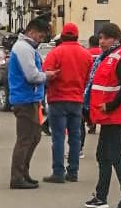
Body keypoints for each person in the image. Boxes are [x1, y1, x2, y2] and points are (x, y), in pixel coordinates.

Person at [85, 22, 121, 208]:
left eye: (104, 38)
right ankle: (101, 196)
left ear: (115, 39)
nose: (101, 42)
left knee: (116, 156)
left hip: (116, 115)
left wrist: (111, 106)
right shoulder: (108, 56)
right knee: (103, 154)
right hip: (108, 116)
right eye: (100, 38)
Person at [8, 17, 58, 189]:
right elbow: (32, 76)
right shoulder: (24, 49)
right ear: (32, 32)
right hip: (25, 99)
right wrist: (48, 76)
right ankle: (17, 177)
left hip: (30, 99)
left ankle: (23, 173)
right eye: (41, 36)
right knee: (26, 139)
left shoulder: (28, 48)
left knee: (34, 137)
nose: (41, 39)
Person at [42, 23, 92, 183]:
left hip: (57, 99)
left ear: (62, 36)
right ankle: (73, 171)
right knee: (75, 137)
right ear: (77, 36)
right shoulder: (86, 55)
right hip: (76, 100)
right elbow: (87, 78)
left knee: (58, 137)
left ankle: (58, 172)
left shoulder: (55, 53)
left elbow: (46, 75)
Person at [86, 35, 102, 134]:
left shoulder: (87, 52)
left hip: (89, 81)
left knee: (88, 103)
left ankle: (91, 123)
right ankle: (96, 122)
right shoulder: (102, 53)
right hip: (100, 81)